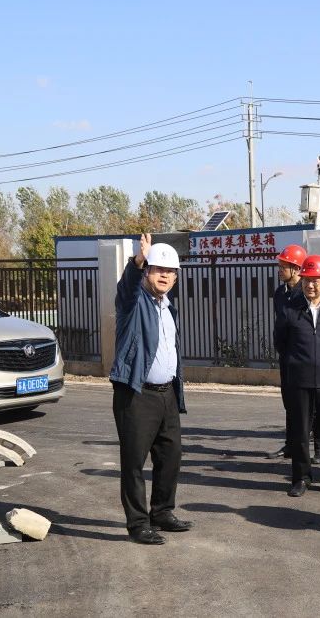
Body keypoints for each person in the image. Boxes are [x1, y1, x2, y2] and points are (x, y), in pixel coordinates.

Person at [110, 234, 192, 545]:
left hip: (166, 393)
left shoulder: (169, 308)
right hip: (136, 393)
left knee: (171, 455)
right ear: (147, 271)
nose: (164, 276)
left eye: (170, 272)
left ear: (176, 277)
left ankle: (162, 512)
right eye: (158, 269)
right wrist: (137, 261)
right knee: (134, 461)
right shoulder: (133, 302)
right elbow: (127, 287)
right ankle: (138, 524)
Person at [275, 255, 320, 497]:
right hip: (299, 379)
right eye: (306, 280)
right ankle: (301, 478)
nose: (310, 285)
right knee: (300, 432)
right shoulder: (289, 308)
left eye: (315, 280)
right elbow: (281, 342)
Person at [267, 244, 307, 460]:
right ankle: (291, 444)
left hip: (304, 357)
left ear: (297, 268)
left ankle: (314, 449)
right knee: (289, 402)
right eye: (280, 266)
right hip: (286, 356)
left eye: (284, 267)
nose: (279, 270)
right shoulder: (280, 293)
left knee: (307, 405)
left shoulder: (307, 292)